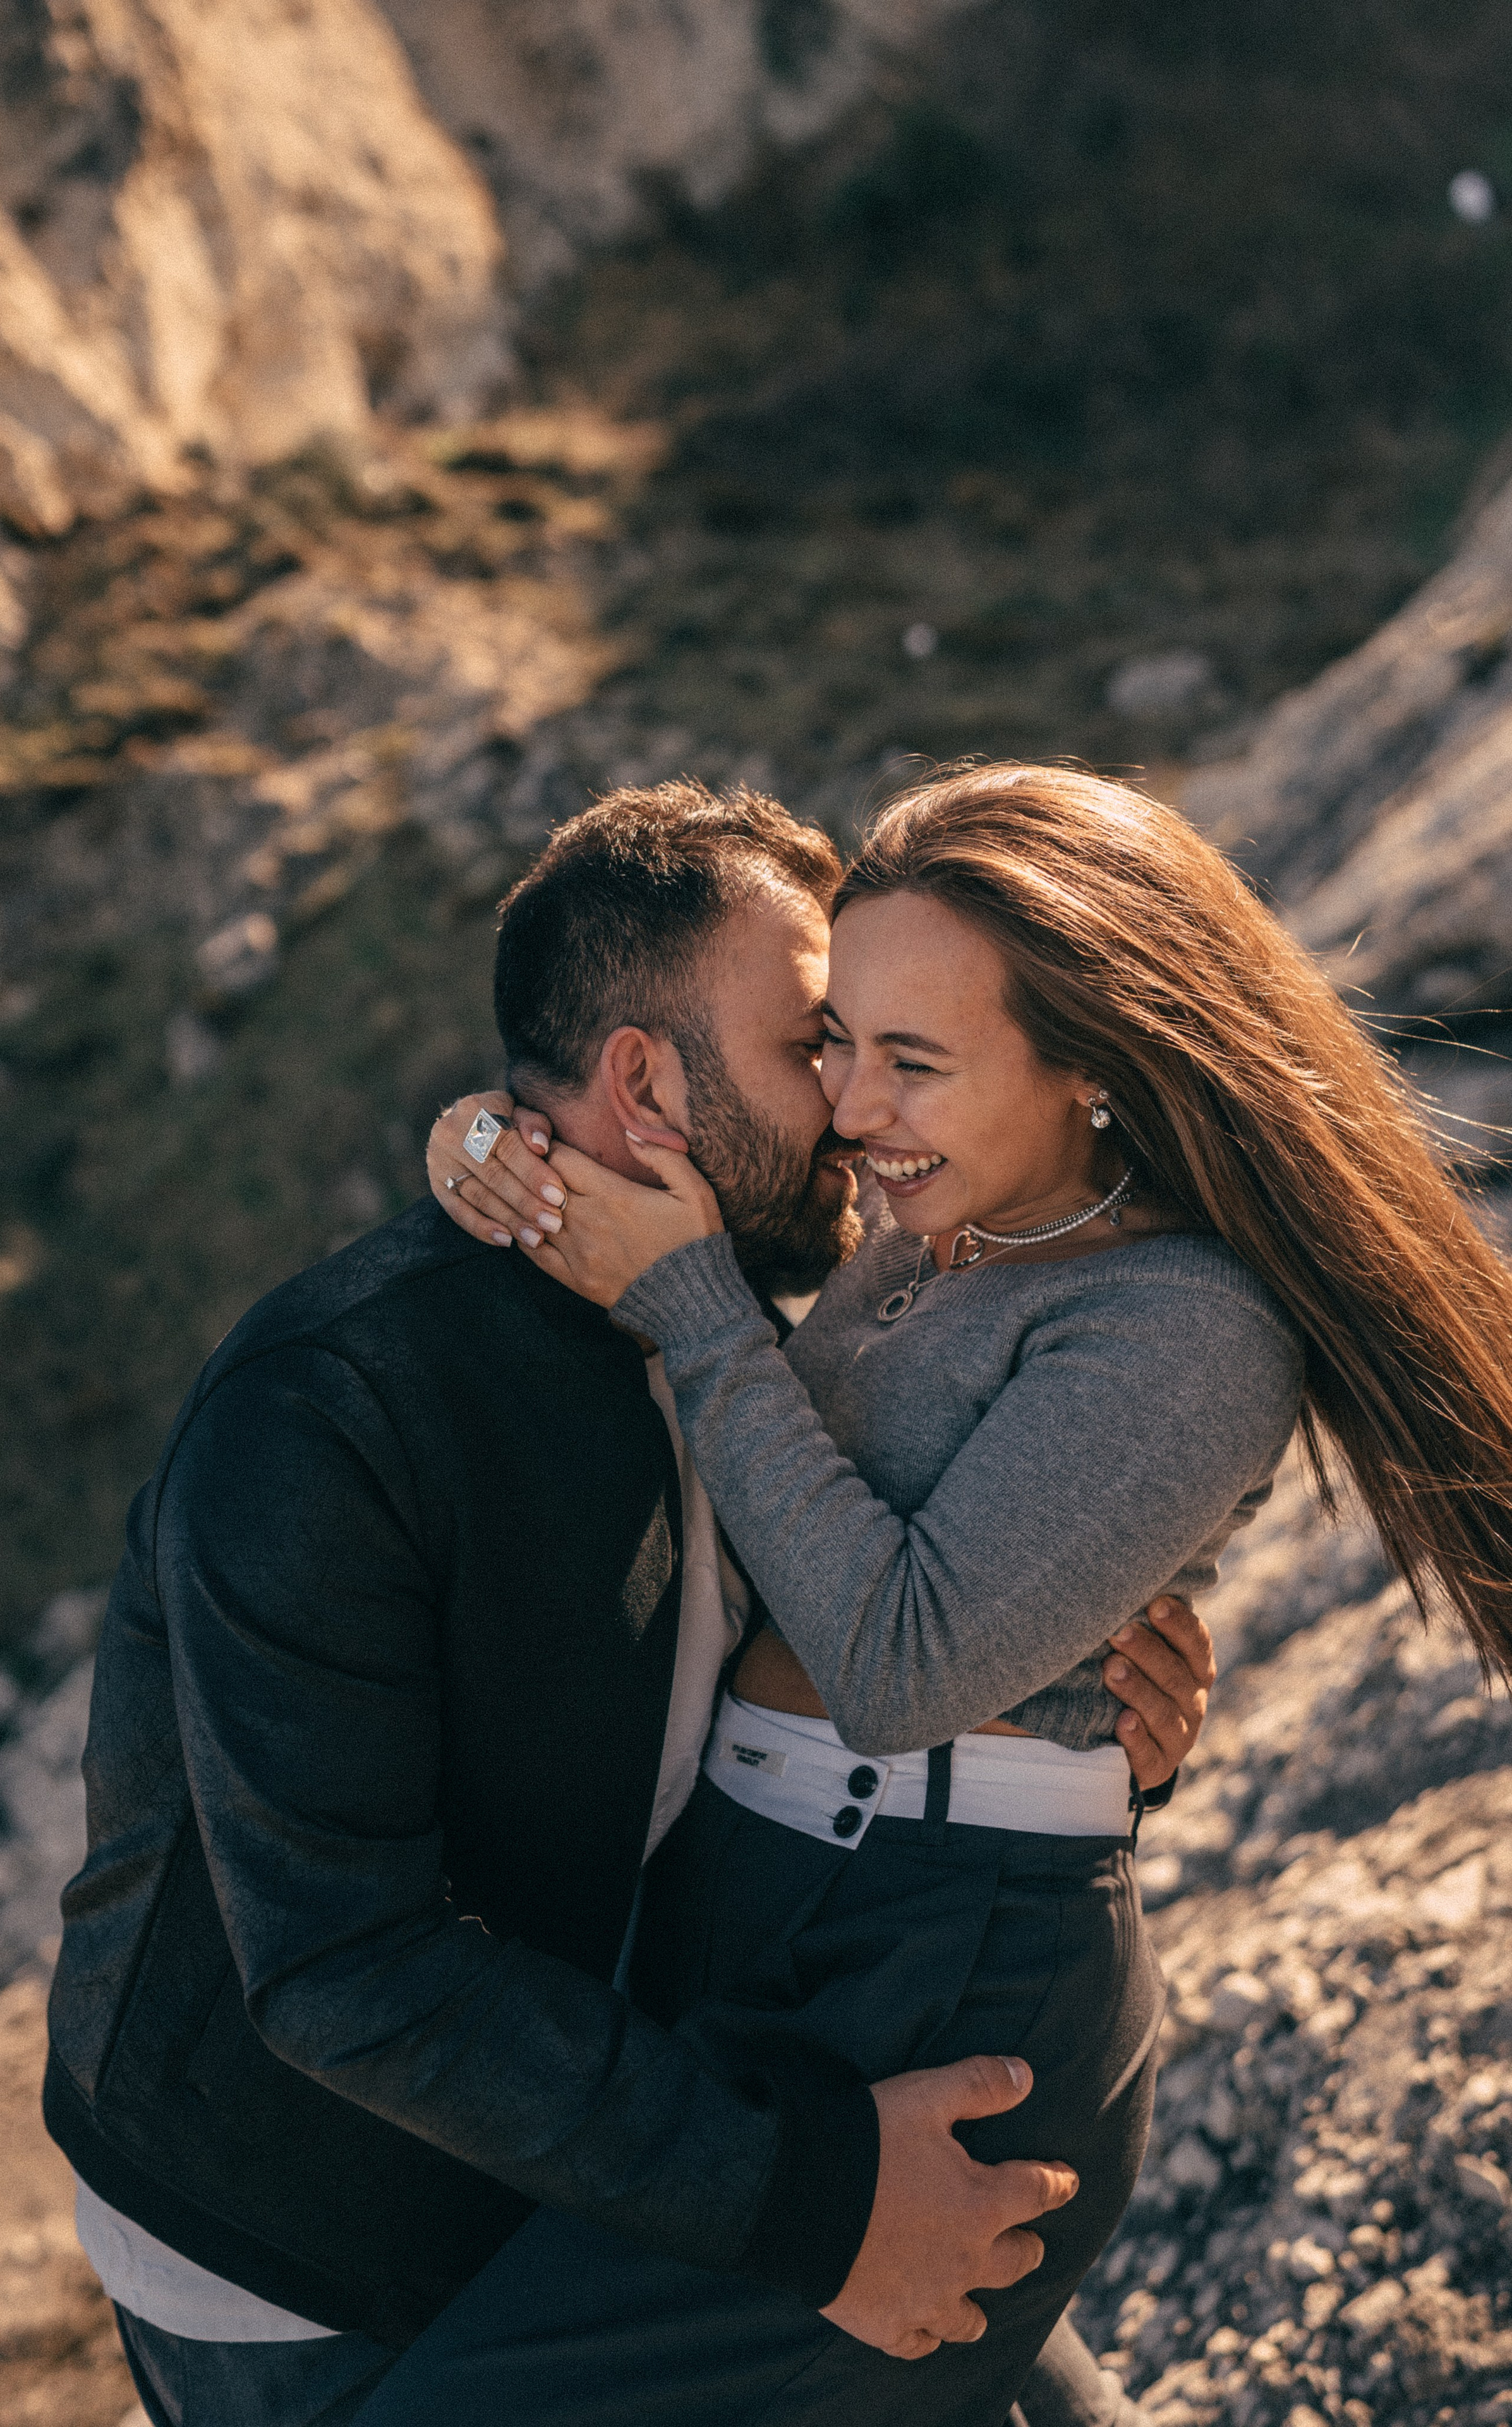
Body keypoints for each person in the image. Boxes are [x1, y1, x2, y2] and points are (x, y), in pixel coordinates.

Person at [43, 779, 1213, 2427]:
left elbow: (883, 1610)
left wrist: (1078, 1706)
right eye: (815, 1043)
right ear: (647, 1082)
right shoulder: (330, 1414)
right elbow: (343, 1970)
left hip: (628, 2105)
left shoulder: (727, 1324)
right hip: (310, 2227)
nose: (855, 1103)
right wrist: (814, 2200)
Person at [402, 759, 1512, 2427]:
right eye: (838, 1042)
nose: (851, 1109)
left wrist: (701, 1311)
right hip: (763, 1900)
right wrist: (495, 1136)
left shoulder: (1187, 1324)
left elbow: (900, 1669)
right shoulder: (939, 1220)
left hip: (938, 1971)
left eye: (912, 1062)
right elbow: (700, 1283)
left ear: (1096, 1065)